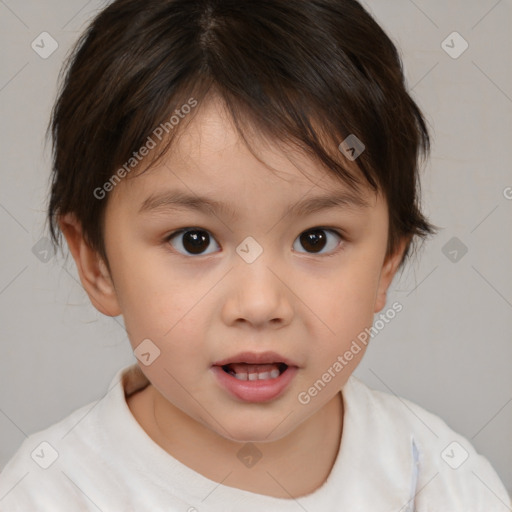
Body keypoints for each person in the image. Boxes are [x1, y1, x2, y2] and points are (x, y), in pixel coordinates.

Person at [0, 0, 510, 510]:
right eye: (194, 240)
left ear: (386, 263)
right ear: (96, 263)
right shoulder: (55, 492)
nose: (261, 303)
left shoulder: (435, 478)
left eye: (316, 239)